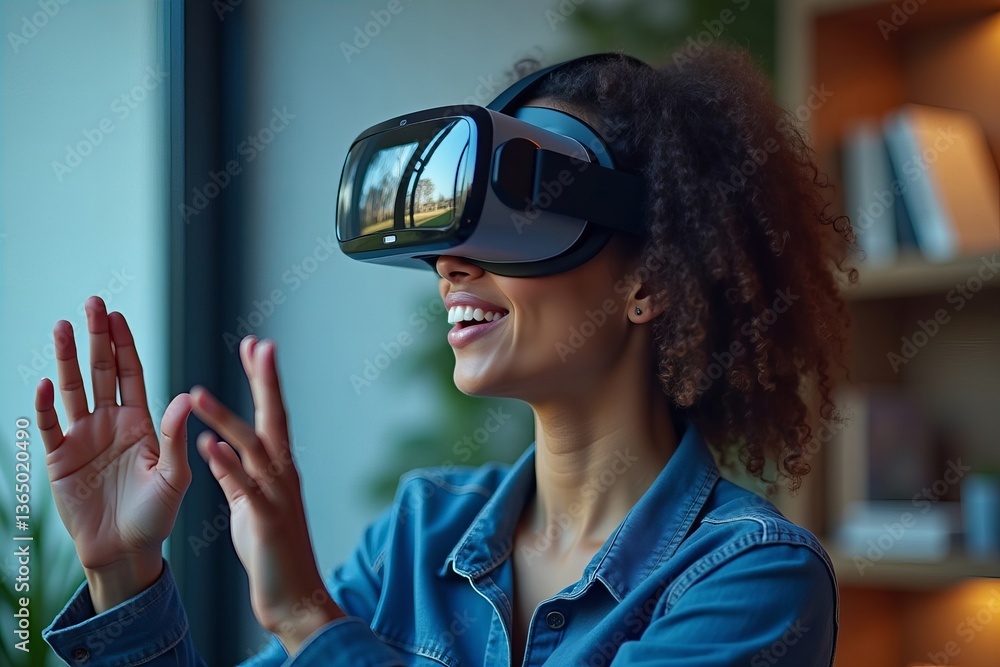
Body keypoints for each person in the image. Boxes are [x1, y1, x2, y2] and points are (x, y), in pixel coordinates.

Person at [38, 48, 854, 666]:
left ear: (648, 281)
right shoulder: (421, 532)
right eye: (448, 239)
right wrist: (127, 570)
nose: (451, 266)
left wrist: (310, 621)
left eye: (514, 220)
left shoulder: (752, 578)